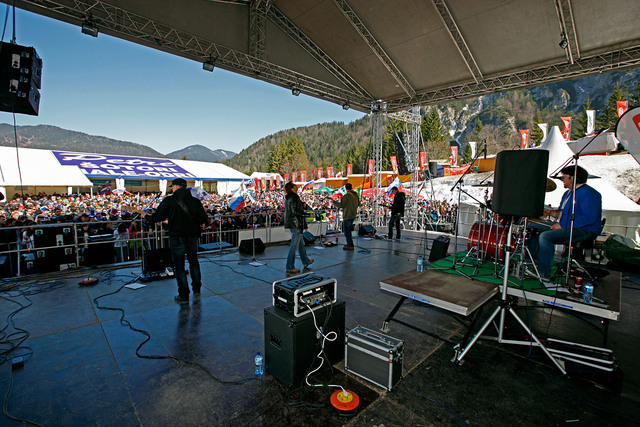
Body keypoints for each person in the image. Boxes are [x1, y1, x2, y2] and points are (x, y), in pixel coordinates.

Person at [528, 165, 602, 282]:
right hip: (570, 226)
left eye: (563, 178)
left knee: (546, 236)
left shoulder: (590, 194)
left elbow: (589, 218)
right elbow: (563, 214)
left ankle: (543, 273)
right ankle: (530, 263)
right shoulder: (568, 193)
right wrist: (551, 213)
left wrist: (563, 225)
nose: (562, 180)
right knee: (531, 226)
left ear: (573, 178)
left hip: (585, 230)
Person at [145, 178, 209, 303]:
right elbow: (203, 218)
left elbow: (158, 216)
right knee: (193, 262)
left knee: (179, 266)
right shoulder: (195, 201)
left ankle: (184, 295)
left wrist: (147, 217)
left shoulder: (169, 200)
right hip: (192, 237)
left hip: (177, 238)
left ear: (175, 187)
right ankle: (197, 287)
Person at [284, 181, 313, 274]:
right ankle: (290, 266)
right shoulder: (294, 197)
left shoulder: (289, 198)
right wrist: (305, 214)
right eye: (295, 186)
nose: (297, 187)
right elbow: (295, 211)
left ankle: (305, 261)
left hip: (293, 223)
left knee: (300, 243)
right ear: (292, 188)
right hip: (296, 223)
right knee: (294, 245)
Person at [333, 183, 360, 250]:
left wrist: (333, 202)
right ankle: (349, 243)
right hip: (353, 214)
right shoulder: (356, 195)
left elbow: (341, 205)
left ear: (345, 188)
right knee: (349, 230)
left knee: (346, 231)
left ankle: (350, 245)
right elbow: (358, 204)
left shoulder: (346, 196)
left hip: (347, 215)